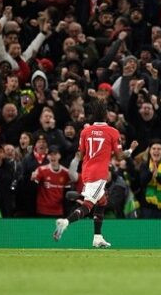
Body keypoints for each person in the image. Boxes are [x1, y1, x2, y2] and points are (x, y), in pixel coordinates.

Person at [53, 101, 136, 248]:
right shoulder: (113, 132)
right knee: (89, 205)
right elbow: (119, 157)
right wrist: (131, 150)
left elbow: (81, 153)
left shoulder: (85, 132)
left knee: (102, 201)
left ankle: (97, 237)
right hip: (99, 174)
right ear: (106, 116)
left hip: (87, 171)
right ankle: (65, 222)